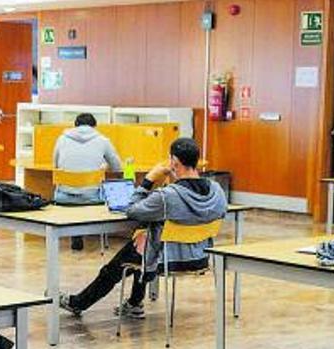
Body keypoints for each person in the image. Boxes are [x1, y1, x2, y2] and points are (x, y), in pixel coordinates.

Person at [59, 137, 226, 319]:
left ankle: (78, 303)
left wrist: (148, 180)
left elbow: (132, 210)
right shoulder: (217, 191)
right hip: (199, 256)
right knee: (144, 239)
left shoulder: (167, 196)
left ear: (174, 162)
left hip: (166, 258)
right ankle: (134, 303)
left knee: (115, 267)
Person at [54, 113, 123, 251]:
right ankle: (101, 234)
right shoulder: (103, 140)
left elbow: (56, 165)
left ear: (75, 125)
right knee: (98, 188)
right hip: (92, 196)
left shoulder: (61, 139)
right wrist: (103, 166)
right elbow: (117, 167)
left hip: (64, 196)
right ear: (94, 126)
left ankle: (75, 233)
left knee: (71, 191)